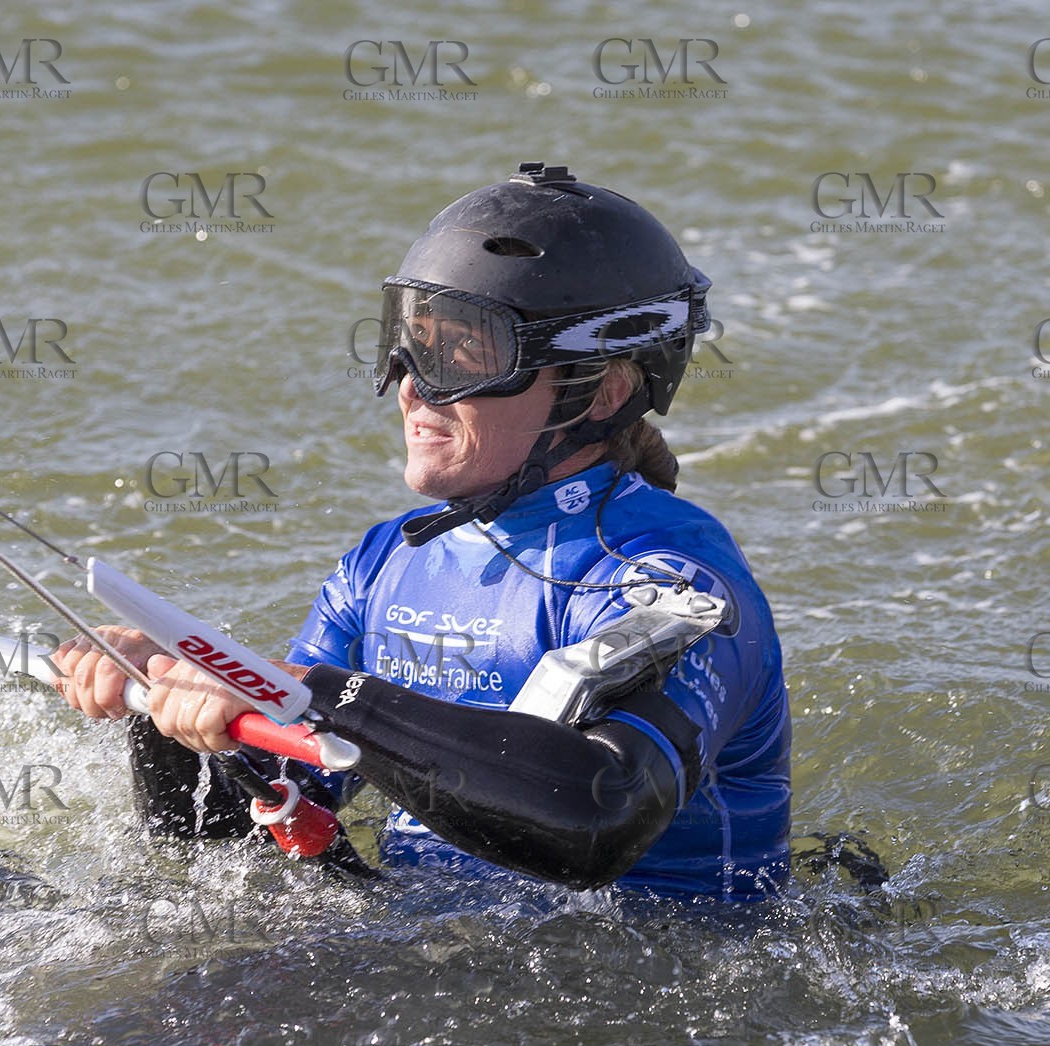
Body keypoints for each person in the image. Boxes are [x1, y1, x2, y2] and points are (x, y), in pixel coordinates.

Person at [55, 163, 790, 901]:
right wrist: (176, 696)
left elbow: (601, 813)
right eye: (409, 342)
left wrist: (320, 695)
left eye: (466, 351)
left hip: (656, 978)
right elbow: (230, 840)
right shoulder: (383, 562)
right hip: (431, 951)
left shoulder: (674, 581)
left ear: (602, 392)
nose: (412, 383)